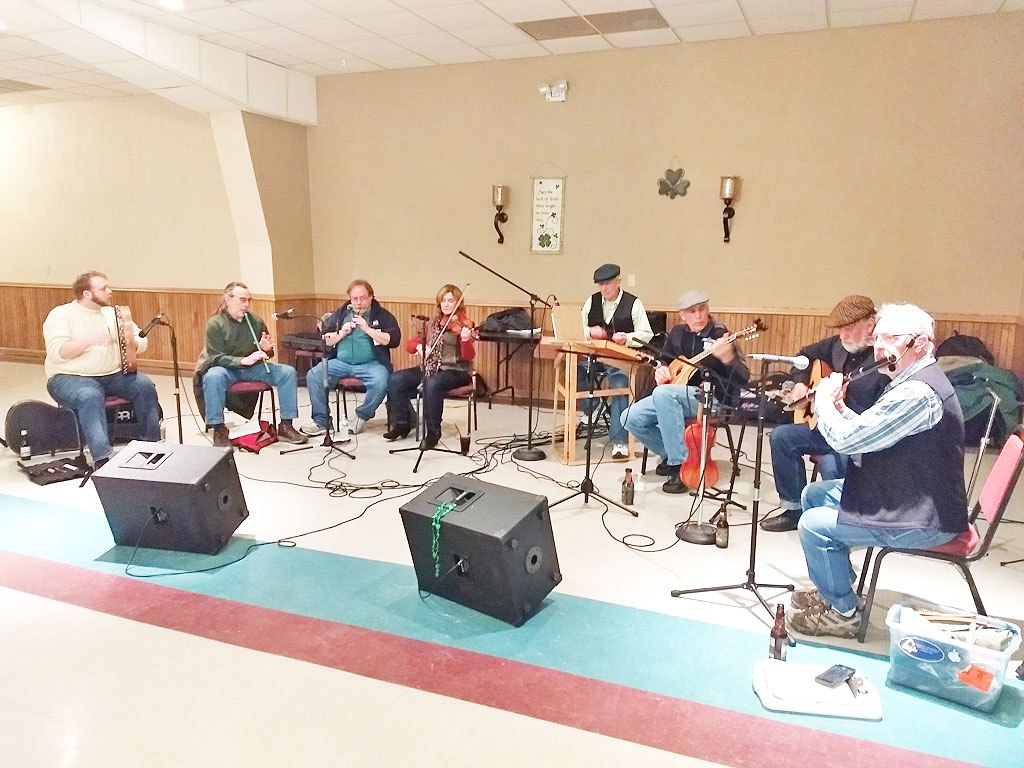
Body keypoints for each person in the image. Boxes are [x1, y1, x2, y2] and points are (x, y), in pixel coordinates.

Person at [787, 303, 969, 638]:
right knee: (814, 494)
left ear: (920, 344)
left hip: (926, 515)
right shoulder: (906, 379)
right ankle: (837, 590)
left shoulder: (918, 392)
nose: (879, 349)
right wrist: (839, 406)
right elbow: (871, 432)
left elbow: (847, 441)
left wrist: (824, 401)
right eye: (878, 339)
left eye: (890, 339)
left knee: (813, 525)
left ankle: (843, 614)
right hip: (907, 491)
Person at [761, 295, 888, 532]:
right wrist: (800, 382)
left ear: (870, 325)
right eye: (840, 329)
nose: (843, 335)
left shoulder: (884, 357)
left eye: (849, 328)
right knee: (781, 437)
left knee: (830, 463)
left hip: (860, 437)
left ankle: (843, 522)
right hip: (829, 428)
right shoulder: (838, 345)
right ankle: (794, 509)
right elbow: (804, 356)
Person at [622, 290, 748, 494]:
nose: (698, 316)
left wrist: (728, 358)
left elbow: (744, 377)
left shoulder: (721, 334)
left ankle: (678, 463)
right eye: (692, 311)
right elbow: (663, 358)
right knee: (629, 417)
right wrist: (661, 369)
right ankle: (676, 455)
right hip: (675, 395)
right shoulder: (678, 333)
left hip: (712, 398)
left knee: (663, 394)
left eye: (702, 309)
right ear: (682, 315)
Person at [43, 271, 162, 468]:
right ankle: (102, 458)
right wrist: (90, 339)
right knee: (90, 396)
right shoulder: (61, 315)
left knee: (144, 386)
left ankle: (152, 446)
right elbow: (59, 352)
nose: (110, 291)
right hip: (70, 377)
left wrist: (124, 339)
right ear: (87, 294)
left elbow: (142, 343)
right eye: (103, 288)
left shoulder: (113, 314)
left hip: (113, 375)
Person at [200, 281, 307, 447]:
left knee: (287, 372)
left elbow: (267, 353)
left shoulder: (255, 321)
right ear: (228, 300)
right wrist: (241, 361)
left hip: (254, 368)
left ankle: (286, 425)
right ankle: (219, 429)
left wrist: (266, 349)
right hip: (227, 369)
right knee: (212, 376)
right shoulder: (216, 324)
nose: (247, 305)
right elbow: (214, 357)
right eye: (242, 300)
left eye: (249, 300)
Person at [301, 279, 401, 437]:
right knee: (314, 375)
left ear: (371, 297)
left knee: (382, 380)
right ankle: (322, 421)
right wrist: (341, 333)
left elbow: (394, 340)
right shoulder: (341, 314)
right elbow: (324, 340)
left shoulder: (382, 315)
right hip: (340, 362)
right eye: (355, 298)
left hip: (371, 364)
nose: (359, 302)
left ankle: (362, 416)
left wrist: (367, 329)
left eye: (363, 298)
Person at [385, 284, 476, 450]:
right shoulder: (432, 323)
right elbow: (410, 344)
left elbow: (469, 356)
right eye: (443, 300)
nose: (446, 304)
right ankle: (402, 423)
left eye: (451, 300)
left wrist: (464, 339)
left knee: (432, 383)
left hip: (456, 370)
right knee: (396, 379)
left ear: (458, 303)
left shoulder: (464, 325)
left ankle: (433, 432)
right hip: (431, 367)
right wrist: (419, 347)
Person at [579, 263, 654, 459]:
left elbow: (647, 334)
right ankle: (591, 408)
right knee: (576, 369)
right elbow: (578, 327)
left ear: (618, 281)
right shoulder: (592, 301)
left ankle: (620, 442)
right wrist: (590, 331)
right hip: (595, 355)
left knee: (620, 383)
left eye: (608, 284)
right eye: (600, 285)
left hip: (620, 358)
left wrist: (627, 338)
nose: (604, 289)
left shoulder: (633, 303)